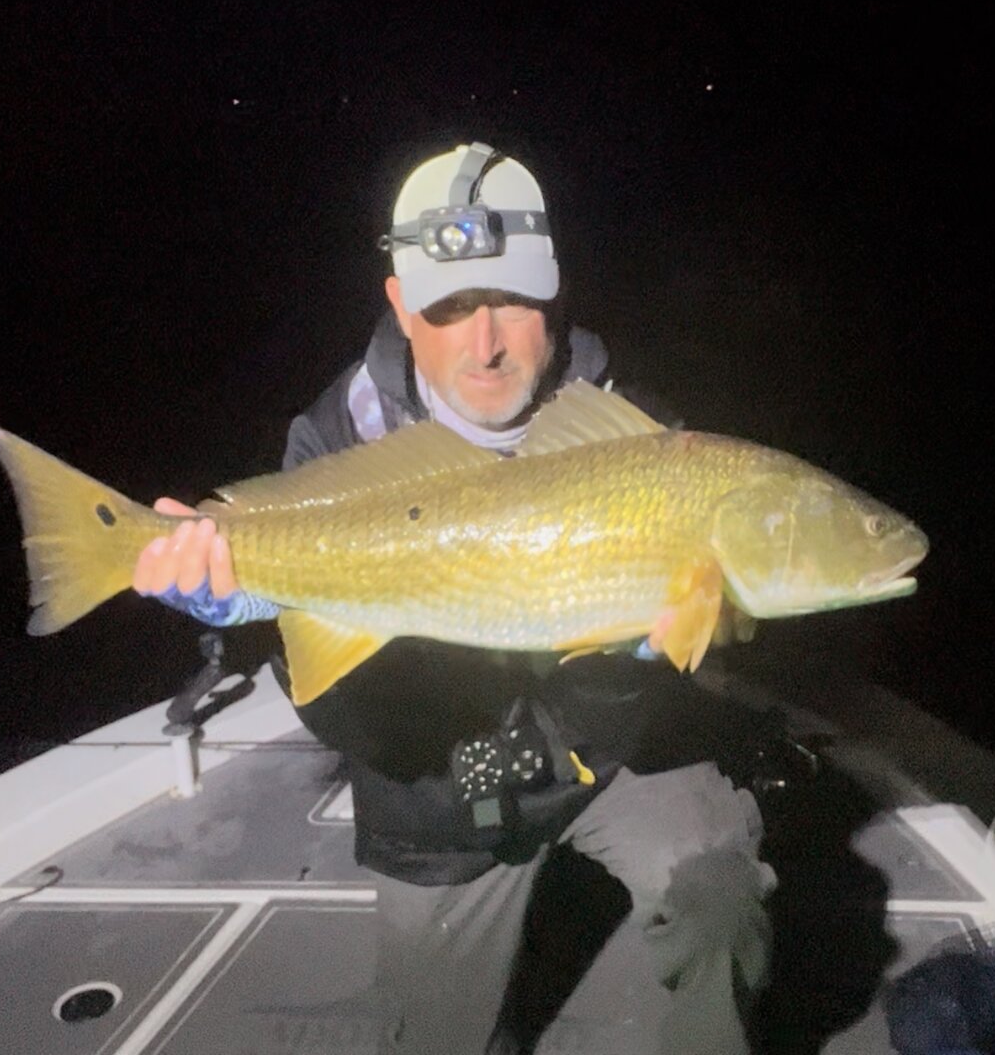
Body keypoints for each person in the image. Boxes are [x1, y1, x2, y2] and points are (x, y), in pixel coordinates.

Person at [131, 141, 777, 1054]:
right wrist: (267, 613)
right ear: (400, 305)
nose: (486, 344)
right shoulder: (333, 444)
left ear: (554, 294)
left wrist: (632, 652)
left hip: (605, 760)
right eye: (449, 308)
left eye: (513, 300)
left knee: (720, 898)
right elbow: (357, 732)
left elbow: (638, 702)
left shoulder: (639, 436)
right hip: (432, 797)